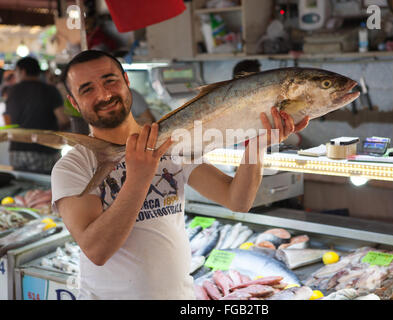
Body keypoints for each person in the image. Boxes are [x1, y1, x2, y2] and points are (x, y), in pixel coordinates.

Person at [51, 50, 309, 300]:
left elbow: (236, 201)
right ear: (74, 102)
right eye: (87, 89)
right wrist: (139, 178)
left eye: (110, 81)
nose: (105, 94)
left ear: (126, 82)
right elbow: (97, 250)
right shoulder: (73, 167)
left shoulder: (171, 143)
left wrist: (257, 145)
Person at [5, 57, 70, 174]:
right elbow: (63, 120)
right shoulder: (50, 90)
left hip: (16, 151)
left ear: (22, 71)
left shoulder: (11, 91)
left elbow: (8, 122)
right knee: (44, 189)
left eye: (16, 71)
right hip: (43, 150)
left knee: (23, 189)